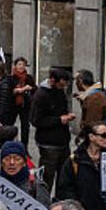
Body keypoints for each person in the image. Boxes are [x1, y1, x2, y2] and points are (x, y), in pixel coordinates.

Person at [30, 67, 75, 195]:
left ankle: (60, 200)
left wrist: (66, 117)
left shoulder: (60, 92)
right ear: (53, 81)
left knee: (64, 176)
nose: (63, 87)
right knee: (47, 177)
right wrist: (59, 120)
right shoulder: (41, 95)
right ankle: (43, 200)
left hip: (63, 141)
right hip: (48, 143)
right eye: (61, 85)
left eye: (65, 85)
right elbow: (36, 120)